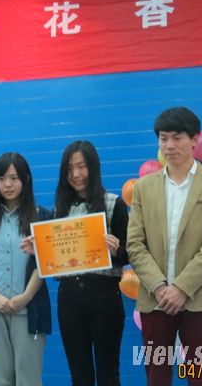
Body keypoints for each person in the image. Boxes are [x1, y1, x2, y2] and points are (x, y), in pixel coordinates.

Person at [127, 107, 202, 386]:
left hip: (200, 299)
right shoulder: (143, 188)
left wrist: (182, 288)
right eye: (163, 139)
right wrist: (159, 287)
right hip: (155, 299)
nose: (169, 146)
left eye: (177, 138)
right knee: (157, 376)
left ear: (195, 139)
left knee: (200, 376)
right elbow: (135, 244)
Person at [51, 140, 129, 386]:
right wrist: (43, 253)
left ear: (93, 167)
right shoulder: (59, 210)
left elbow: (130, 254)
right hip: (69, 299)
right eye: (69, 169)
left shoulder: (114, 203)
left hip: (105, 297)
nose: (76, 174)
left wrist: (116, 250)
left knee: (108, 375)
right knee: (80, 377)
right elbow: (56, 266)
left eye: (82, 166)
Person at [0, 152, 51, 386]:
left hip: (29, 310)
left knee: (28, 380)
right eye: (2, 179)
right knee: (1, 381)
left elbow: (47, 261)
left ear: (26, 179)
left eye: (14, 178)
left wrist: (26, 296)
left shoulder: (42, 216)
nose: (8, 184)